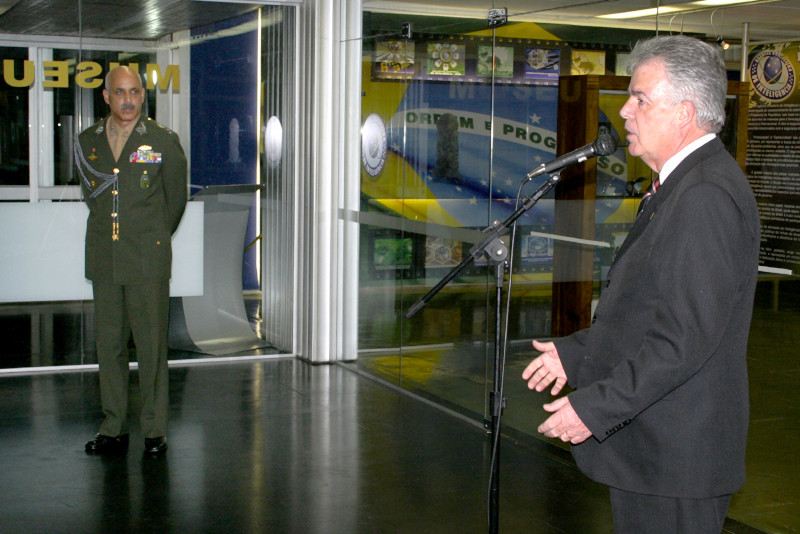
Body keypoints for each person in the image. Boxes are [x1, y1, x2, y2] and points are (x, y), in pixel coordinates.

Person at [522, 35, 760, 533]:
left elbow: (684, 339)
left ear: (684, 113)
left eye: (640, 98)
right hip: (657, 455)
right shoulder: (683, 186)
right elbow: (648, 311)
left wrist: (592, 409)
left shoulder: (704, 197)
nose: (625, 112)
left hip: (674, 461)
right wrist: (576, 353)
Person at [76, 65, 187, 455]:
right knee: (109, 346)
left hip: (146, 260)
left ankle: (154, 430)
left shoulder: (162, 140)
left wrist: (152, 236)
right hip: (105, 256)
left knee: (152, 346)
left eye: (135, 92)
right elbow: (93, 196)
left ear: (143, 95)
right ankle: (114, 426)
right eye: (119, 92)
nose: (128, 99)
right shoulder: (87, 140)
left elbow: (175, 201)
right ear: (106, 96)